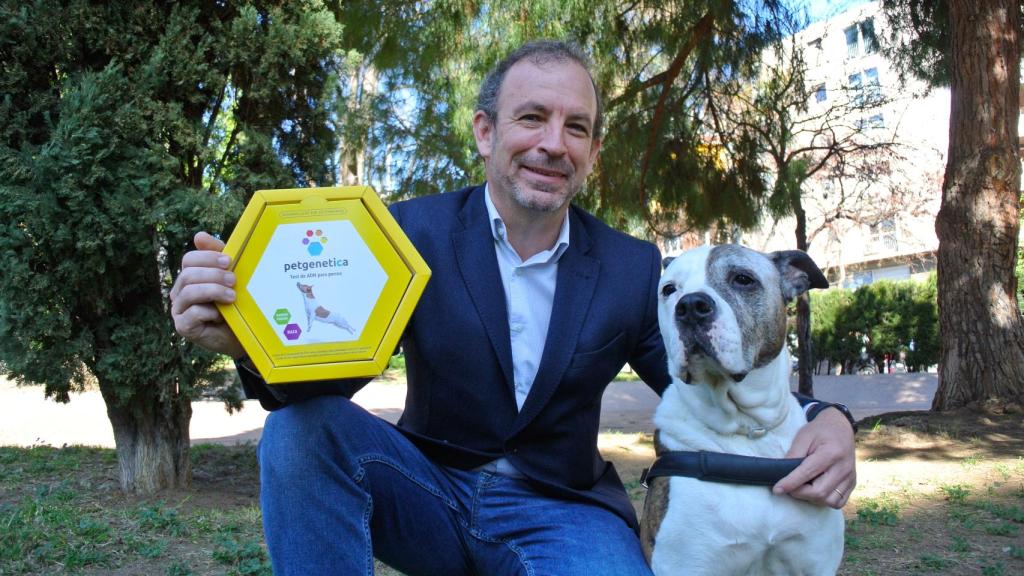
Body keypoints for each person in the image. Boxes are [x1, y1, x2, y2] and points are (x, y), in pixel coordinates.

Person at [170, 40, 856, 576]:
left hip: (564, 512)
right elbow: (327, 374)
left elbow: (708, 367)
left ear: (591, 151)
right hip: (428, 492)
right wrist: (244, 340)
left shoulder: (633, 266)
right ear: (485, 131)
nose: (553, 143)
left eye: (576, 127)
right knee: (300, 432)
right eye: (532, 118)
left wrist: (827, 418)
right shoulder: (406, 233)